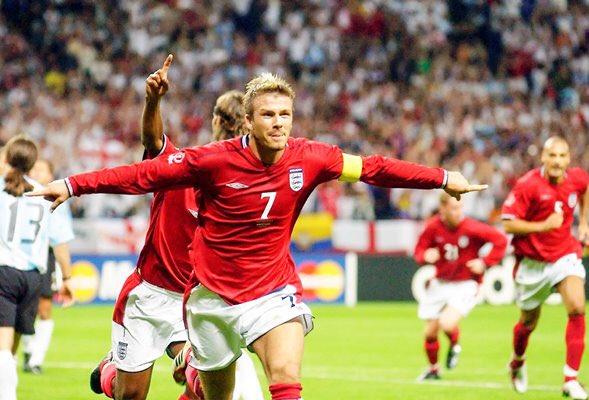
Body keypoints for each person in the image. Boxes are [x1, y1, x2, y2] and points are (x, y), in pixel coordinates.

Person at [28, 72, 487, 400]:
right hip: (206, 301)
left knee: (286, 378)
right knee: (172, 394)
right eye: (268, 114)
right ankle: (115, 372)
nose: (279, 122)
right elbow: (140, 174)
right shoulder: (209, 162)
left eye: (285, 114)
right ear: (249, 121)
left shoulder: (312, 158)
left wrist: (442, 177)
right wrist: (72, 185)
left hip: (271, 293)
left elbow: (374, 168)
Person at [87, 55, 262, 400]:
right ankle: (111, 373)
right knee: (130, 395)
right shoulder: (182, 167)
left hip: (195, 300)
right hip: (149, 295)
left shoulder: (242, 190)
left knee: (207, 388)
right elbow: (154, 141)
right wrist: (153, 100)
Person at [501, 136, 589, 400]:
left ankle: (570, 379)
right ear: (543, 157)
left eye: (562, 156)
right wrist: (542, 226)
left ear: (569, 159)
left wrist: (584, 224)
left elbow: (585, 187)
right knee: (528, 322)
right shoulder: (528, 185)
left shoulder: (576, 178)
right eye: (552, 156)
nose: (557, 161)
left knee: (577, 307)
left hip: (564, 255)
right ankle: (517, 361)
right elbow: (508, 223)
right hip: (531, 263)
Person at [0, 137, 74, 400]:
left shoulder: (2, 188)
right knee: (10, 349)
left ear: (7, 159)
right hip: (32, 278)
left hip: (4, 273)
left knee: (3, 348)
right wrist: (67, 278)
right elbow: (61, 242)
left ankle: (7, 395)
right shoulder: (47, 193)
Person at [413, 193, 507, 381]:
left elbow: (501, 240)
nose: (459, 212)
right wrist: (425, 256)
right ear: (443, 209)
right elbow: (419, 250)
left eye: (460, 207)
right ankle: (434, 370)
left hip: (466, 284)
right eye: (454, 208)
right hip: (441, 283)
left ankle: (455, 343)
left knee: (446, 323)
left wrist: (485, 262)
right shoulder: (432, 227)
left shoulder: (472, 227)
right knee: (429, 333)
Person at [20, 159, 75, 375]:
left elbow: (60, 238)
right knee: (24, 309)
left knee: (44, 308)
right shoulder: (18, 192)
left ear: (50, 174)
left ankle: (35, 360)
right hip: (21, 257)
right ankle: (27, 350)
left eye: (42, 168)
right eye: (34, 167)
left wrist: (66, 275)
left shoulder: (55, 197)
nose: (36, 171)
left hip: (46, 256)